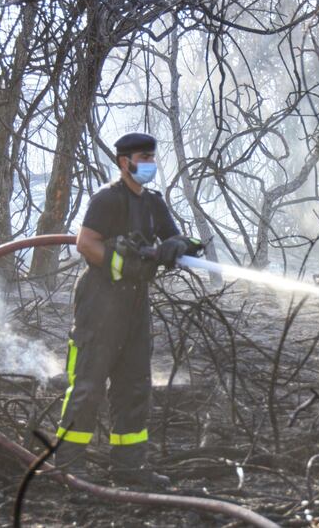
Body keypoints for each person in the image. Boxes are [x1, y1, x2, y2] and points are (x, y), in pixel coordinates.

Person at [54, 132, 198, 487]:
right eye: (143, 157)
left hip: (136, 303)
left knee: (134, 385)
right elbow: (85, 244)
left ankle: (129, 468)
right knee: (88, 384)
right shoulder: (107, 200)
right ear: (124, 162)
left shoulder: (153, 203)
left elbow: (176, 238)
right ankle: (70, 468)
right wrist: (125, 262)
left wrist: (180, 243)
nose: (149, 163)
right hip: (100, 301)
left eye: (152, 156)